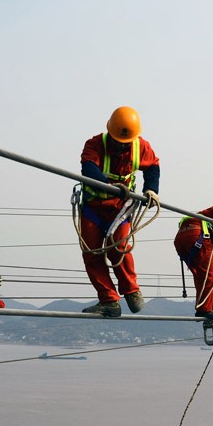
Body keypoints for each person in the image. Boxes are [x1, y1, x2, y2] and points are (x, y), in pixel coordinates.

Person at [78, 105, 160, 318]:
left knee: (119, 248)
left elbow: (153, 167)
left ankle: (132, 292)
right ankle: (109, 301)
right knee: (92, 253)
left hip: (120, 210)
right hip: (93, 208)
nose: (121, 146)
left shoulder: (140, 147)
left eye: (125, 142)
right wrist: (111, 185)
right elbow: (88, 168)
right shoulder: (95, 144)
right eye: (117, 141)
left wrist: (151, 189)